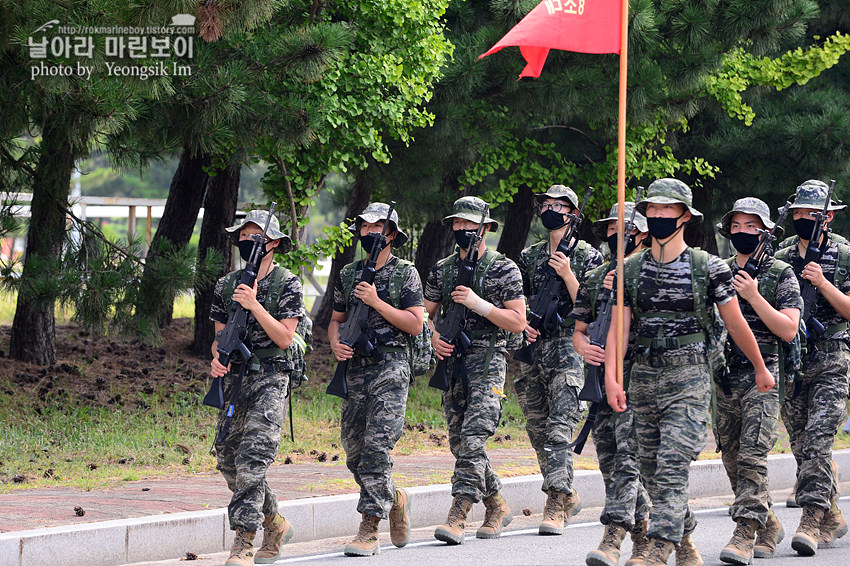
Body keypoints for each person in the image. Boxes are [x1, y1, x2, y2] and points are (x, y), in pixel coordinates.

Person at [603, 179, 775, 566]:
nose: (659, 216)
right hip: (644, 377)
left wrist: (761, 367)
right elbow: (621, 327)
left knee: (672, 464)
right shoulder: (629, 268)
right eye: (653, 210)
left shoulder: (708, 267)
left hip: (690, 377)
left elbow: (734, 324)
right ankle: (684, 544)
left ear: (684, 216)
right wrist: (614, 377)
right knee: (649, 469)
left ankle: (658, 548)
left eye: (667, 210)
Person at [424, 196, 527, 545]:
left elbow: (517, 322)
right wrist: (435, 337)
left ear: (485, 228)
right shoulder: (442, 268)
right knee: (460, 443)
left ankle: (459, 513)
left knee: (473, 438)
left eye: (470, 224)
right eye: (458, 224)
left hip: (488, 361)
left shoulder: (504, 268)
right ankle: (497, 504)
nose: (463, 230)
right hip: (452, 363)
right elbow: (424, 312)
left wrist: (478, 304)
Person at [328, 203, 425, 557]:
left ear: (392, 235)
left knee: (376, 449)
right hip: (355, 369)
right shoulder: (348, 273)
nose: (370, 232)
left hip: (391, 366)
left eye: (378, 227)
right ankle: (395, 497)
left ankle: (369, 527)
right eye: (365, 226)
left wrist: (377, 301)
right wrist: (336, 343)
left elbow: (416, 323)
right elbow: (336, 319)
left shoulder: (406, 274)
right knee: (354, 453)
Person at [210, 210, 303, 566]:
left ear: (274, 244)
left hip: (271, 376)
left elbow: (284, 337)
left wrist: (254, 304)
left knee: (252, 461)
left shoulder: (287, 283)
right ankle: (275, 522)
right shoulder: (226, 284)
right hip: (235, 380)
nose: (248, 243)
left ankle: (244, 542)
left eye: (257, 238)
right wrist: (217, 358)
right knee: (227, 458)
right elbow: (220, 337)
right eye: (244, 237)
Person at [714, 198, 802, 564]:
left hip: (763, 375)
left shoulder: (781, 273)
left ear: (765, 231)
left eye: (751, 226)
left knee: (753, 455)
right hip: (724, 375)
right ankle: (767, 524)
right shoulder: (718, 271)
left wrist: (753, 296)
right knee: (732, 457)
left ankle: (744, 532)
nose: (742, 232)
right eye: (736, 226)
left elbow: (788, 327)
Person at [516, 184, 602, 535]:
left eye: (559, 205)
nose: (551, 210)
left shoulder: (587, 256)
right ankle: (565, 492)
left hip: (568, 345)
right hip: (534, 347)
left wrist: (567, 273)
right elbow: (516, 300)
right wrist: (523, 326)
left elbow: (593, 306)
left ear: (573, 214)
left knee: (559, 426)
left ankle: (555, 501)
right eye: (546, 204)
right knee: (538, 428)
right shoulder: (528, 256)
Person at [572, 201, 653, 566]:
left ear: (642, 232)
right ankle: (647, 534)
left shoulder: (653, 272)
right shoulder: (594, 276)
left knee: (627, 461)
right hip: (601, 383)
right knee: (609, 461)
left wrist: (626, 289)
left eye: (625, 228)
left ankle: (613, 537)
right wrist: (584, 349)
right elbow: (579, 330)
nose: (616, 235)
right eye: (610, 229)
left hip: (640, 379)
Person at [775, 180, 850, 556]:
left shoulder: (845, 254)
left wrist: (822, 283)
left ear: (829, 216)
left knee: (820, 438)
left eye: (813, 213)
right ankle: (833, 513)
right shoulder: (780, 253)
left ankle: (811, 517)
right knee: (802, 443)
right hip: (792, 357)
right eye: (799, 213)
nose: (804, 219)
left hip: (832, 354)